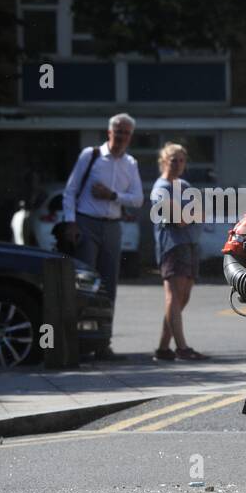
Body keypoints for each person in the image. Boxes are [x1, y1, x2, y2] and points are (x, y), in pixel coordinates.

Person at [62, 113, 145, 360]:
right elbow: (70, 192)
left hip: (112, 226)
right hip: (86, 224)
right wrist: (71, 223)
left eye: (126, 133)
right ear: (109, 132)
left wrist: (112, 196)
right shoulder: (91, 156)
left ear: (131, 137)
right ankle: (77, 342)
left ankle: (102, 343)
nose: (121, 137)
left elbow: (138, 199)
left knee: (109, 286)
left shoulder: (130, 163)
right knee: (85, 284)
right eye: (118, 131)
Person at [149, 143, 208, 361]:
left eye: (182, 160)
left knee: (183, 298)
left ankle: (163, 348)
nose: (178, 164)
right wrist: (189, 213)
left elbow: (200, 213)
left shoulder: (183, 185)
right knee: (173, 297)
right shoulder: (160, 189)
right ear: (164, 161)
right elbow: (180, 220)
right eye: (174, 159)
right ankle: (181, 348)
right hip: (172, 246)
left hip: (190, 245)